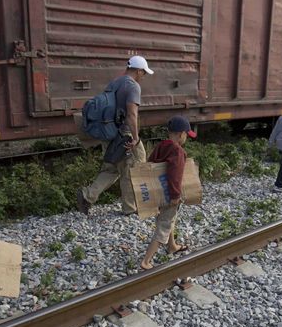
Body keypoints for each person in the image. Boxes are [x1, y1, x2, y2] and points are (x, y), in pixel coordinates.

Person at [77, 56, 153, 216]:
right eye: (144, 73)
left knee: (111, 169)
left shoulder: (114, 83)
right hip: (124, 135)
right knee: (133, 167)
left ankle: (87, 195)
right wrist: (135, 138)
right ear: (138, 71)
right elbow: (132, 114)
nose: (144, 77)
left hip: (109, 133)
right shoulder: (133, 86)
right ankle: (130, 208)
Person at [140, 116, 196, 270]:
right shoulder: (178, 151)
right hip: (169, 194)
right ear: (180, 134)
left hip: (157, 191)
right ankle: (146, 260)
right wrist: (175, 195)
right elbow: (175, 175)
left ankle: (172, 246)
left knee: (168, 218)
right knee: (164, 224)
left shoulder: (161, 146)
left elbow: (150, 164)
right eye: (186, 135)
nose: (186, 138)